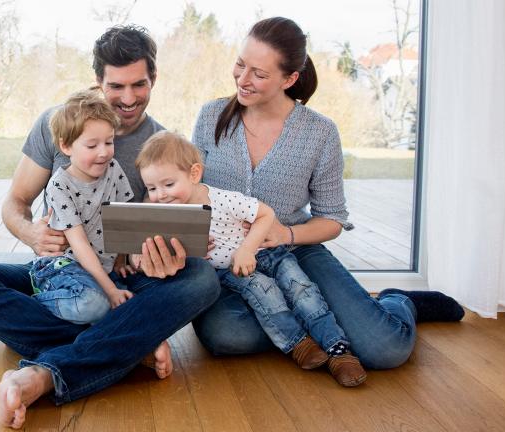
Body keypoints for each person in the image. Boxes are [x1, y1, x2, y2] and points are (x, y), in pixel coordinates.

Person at [0, 25, 220, 430]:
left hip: (118, 276)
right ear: (98, 81)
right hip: (55, 274)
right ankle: (126, 341)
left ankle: (52, 369)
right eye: (116, 86)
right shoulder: (58, 125)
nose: (128, 98)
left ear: (153, 79)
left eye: (139, 84)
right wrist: (31, 233)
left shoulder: (160, 144)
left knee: (202, 279)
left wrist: (157, 256)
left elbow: (152, 232)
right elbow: (15, 204)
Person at [190, 17, 464, 369]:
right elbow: (191, 191)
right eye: (241, 64)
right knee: (228, 336)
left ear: (289, 79)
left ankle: (398, 301)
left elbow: (332, 219)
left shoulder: (319, 132)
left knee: (385, 349)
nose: (242, 79)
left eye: (259, 73)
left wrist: (285, 234)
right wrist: (195, 240)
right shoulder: (211, 115)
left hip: (296, 248)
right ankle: (315, 318)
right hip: (230, 260)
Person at [136, 131, 367, 387]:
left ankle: (339, 350)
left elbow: (265, 214)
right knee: (266, 294)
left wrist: (247, 249)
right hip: (234, 271)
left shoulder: (222, 199)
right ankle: (298, 345)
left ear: (194, 174)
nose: (161, 195)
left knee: (302, 290)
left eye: (168, 185)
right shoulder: (167, 215)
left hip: (269, 253)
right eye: (152, 188)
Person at [29, 89, 135, 320]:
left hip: (99, 270)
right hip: (64, 267)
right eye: (92, 146)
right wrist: (110, 290)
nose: (104, 152)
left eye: (109, 142)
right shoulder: (59, 185)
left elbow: (122, 216)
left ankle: (79, 319)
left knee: (122, 304)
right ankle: (33, 302)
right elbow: (79, 245)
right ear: (66, 146)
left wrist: (121, 259)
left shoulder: (113, 169)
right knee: (94, 304)